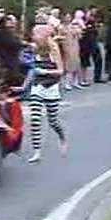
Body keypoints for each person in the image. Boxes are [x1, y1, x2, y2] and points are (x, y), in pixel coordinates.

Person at [26, 24, 67, 163]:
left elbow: (61, 71)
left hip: (51, 87)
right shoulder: (35, 49)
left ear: (44, 36)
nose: (33, 37)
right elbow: (32, 69)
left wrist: (45, 72)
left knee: (53, 121)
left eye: (36, 34)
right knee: (35, 119)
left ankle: (62, 137)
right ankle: (36, 152)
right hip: (37, 87)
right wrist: (23, 86)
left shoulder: (54, 49)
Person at [58, 12, 83, 89]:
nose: (68, 19)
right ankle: (66, 82)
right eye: (66, 17)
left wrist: (78, 32)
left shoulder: (73, 26)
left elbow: (80, 36)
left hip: (75, 46)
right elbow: (59, 37)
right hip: (66, 46)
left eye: (69, 17)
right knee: (68, 64)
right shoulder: (61, 27)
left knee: (76, 63)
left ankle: (75, 82)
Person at [76, 10, 95, 87]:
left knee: (85, 63)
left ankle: (84, 78)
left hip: (86, 45)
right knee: (82, 62)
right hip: (82, 45)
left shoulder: (88, 23)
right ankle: (81, 79)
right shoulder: (78, 23)